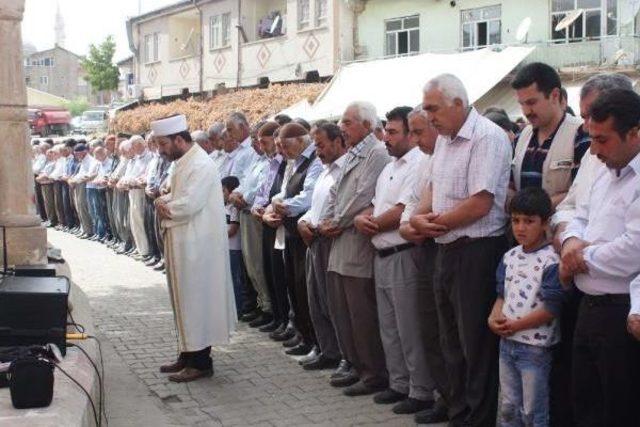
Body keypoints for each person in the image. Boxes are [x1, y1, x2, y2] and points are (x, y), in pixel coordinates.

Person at [410, 74, 511, 426]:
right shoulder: (444, 141)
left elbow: (480, 204)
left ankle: (479, 418)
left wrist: (431, 224)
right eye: (426, 109)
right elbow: (433, 188)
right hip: (446, 248)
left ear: (458, 103)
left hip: (477, 251)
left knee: (475, 344)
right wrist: (418, 219)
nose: (430, 117)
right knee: (449, 339)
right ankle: (459, 412)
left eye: (433, 109)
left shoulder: (487, 137)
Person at [559, 89, 640, 426]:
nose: (594, 150)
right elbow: (579, 212)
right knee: (586, 405)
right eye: (591, 138)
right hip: (588, 306)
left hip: (622, 314)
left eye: (602, 140)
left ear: (634, 134)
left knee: (619, 410)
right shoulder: (605, 169)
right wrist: (572, 241)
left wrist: (581, 257)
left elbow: (633, 249)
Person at [354, 106, 434, 414]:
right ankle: (399, 383)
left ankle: (421, 389)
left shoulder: (417, 164)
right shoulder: (390, 167)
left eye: (393, 132)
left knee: (409, 326)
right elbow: (374, 206)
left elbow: (403, 210)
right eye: (385, 131)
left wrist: (370, 223)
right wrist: (363, 219)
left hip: (403, 253)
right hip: (381, 253)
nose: (386, 137)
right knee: (389, 326)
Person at [153, 114, 236, 383]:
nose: (161, 150)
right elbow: (176, 196)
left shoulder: (200, 164)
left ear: (179, 139)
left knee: (196, 300)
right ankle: (187, 353)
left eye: (163, 144)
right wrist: (164, 200)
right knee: (184, 300)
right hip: (183, 241)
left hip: (197, 245)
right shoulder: (182, 161)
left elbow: (188, 204)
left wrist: (165, 206)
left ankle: (201, 361)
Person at [319, 101, 391, 396]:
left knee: (362, 316)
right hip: (339, 243)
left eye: (347, 122)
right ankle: (356, 365)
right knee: (343, 313)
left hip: (357, 246)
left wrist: (335, 221)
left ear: (365, 124)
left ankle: (373, 373)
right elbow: (337, 191)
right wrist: (328, 219)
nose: (342, 128)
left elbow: (362, 196)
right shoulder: (352, 154)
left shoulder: (377, 153)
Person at [488, 187, 563, 427]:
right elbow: (502, 295)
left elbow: (552, 308)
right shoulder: (510, 256)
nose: (520, 228)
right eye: (515, 221)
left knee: (532, 410)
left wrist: (517, 325)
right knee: (508, 406)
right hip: (507, 345)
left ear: (545, 223)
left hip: (534, 348)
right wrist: (493, 317)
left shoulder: (551, 261)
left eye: (529, 221)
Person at [399, 108, 450, 425]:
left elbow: (436, 213)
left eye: (419, 132)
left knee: (448, 334)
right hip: (422, 248)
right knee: (430, 331)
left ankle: (453, 399)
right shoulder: (425, 161)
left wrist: (415, 224)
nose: (415, 140)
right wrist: (409, 225)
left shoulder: (443, 155)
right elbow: (412, 209)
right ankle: (443, 396)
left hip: (442, 247)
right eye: (412, 133)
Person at [269, 122, 323, 356]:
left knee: (305, 288)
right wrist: (276, 203)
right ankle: (303, 335)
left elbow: (307, 197)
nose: (282, 151)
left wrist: (283, 207)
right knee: (293, 286)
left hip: (305, 235)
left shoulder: (314, 162)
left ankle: (316, 341)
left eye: (286, 146)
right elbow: (283, 192)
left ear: (301, 141)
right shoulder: (293, 162)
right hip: (290, 233)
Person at [297, 122, 346, 371]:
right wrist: (303, 221)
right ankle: (327, 350)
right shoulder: (325, 171)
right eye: (315, 145)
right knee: (316, 300)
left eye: (321, 145)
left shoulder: (345, 169)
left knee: (333, 303)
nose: (317, 151)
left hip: (331, 242)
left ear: (338, 142)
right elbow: (314, 207)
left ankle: (342, 354)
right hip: (313, 241)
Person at [511, 63, 589, 208]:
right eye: (522, 104)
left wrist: (538, 210)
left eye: (532, 102)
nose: (526, 111)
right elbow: (511, 185)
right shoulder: (520, 137)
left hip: (563, 227)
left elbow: (583, 191)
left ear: (554, 95)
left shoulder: (581, 135)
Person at [222, 175, 245, 316]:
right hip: (225, 247)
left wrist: (217, 236)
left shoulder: (234, 209)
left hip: (234, 248)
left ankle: (238, 308)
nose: (221, 194)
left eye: (223, 191)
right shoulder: (223, 207)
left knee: (235, 278)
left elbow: (233, 230)